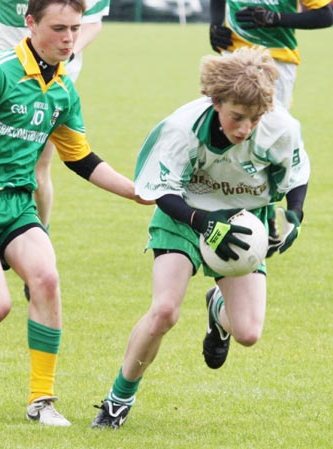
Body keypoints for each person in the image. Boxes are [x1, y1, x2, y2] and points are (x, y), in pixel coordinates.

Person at [0, 0, 147, 427]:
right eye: (59, 29)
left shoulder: (64, 88)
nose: (69, 39)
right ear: (30, 24)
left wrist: (137, 193)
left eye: (74, 29)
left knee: (47, 279)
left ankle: (42, 401)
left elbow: (82, 159)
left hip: (17, 204)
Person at [90, 46, 310, 429]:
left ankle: (217, 313)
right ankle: (117, 400)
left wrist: (294, 215)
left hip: (243, 220)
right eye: (236, 117)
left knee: (248, 334)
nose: (245, 128)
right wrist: (203, 221)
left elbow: (297, 174)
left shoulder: (281, 127)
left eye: (254, 119)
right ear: (215, 101)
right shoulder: (182, 128)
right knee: (164, 312)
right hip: (183, 215)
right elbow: (160, 190)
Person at [0, 0, 111, 302]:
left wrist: (70, 49)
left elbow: (92, 21)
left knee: (37, 169)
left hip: (53, 79)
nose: (68, 32)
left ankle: (36, 243)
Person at [208, 0, 331, 237]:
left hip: (276, 63)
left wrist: (274, 19)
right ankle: (210, 209)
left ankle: (268, 215)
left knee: (267, 139)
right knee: (222, 134)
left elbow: (326, 15)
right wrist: (215, 26)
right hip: (232, 57)